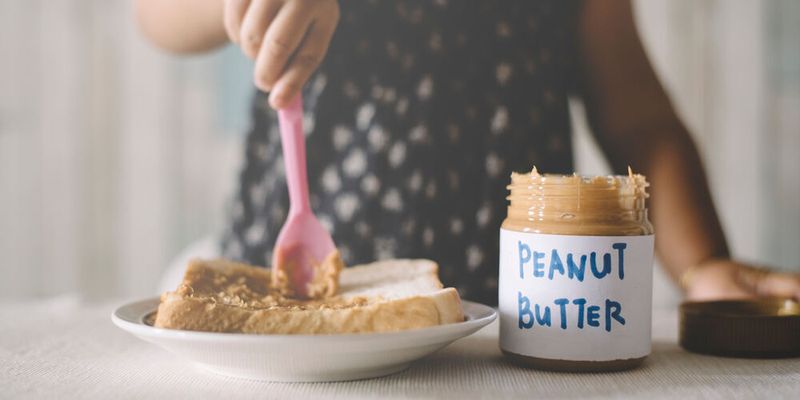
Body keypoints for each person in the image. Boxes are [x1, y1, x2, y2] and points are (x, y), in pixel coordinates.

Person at [136, 0, 800, 305]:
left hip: (505, 317)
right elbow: (154, 14)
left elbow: (638, 117)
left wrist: (707, 264)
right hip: (290, 298)